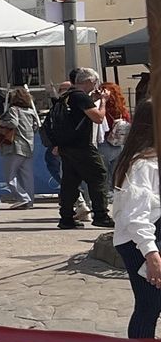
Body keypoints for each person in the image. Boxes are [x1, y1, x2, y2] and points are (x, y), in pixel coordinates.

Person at [111, 99, 160, 339]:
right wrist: (151, 254)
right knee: (149, 305)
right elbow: (136, 215)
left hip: (147, 239)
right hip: (140, 242)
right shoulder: (143, 165)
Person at [50, 68, 115, 230]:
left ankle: (66, 217)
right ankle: (101, 215)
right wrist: (104, 101)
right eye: (94, 83)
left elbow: (78, 114)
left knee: (70, 181)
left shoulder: (67, 96)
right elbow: (98, 118)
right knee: (99, 174)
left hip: (66, 146)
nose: (95, 86)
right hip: (82, 146)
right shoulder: (80, 97)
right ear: (87, 82)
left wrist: (92, 98)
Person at [0, 87, 40, 209]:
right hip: (29, 146)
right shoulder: (31, 111)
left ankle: (23, 197)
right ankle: (30, 201)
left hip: (15, 146)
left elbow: (13, 123)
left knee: (9, 176)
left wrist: (0, 123)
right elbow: (36, 127)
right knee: (27, 176)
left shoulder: (13, 110)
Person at [98, 81, 131, 175]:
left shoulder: (102, 109)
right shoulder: (122, 110)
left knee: (103, 176)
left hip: (104, 143)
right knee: (115, 176)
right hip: (120, 144)